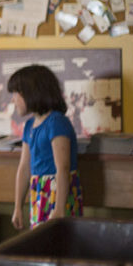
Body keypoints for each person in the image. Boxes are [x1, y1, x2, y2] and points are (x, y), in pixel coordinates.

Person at [9, 64, 84, 229]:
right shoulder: (29, 125)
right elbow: (24, 167)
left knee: (60, 244)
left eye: (16, 93)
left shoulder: (56, 122)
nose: (13, 99)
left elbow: (62, 168)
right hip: (40, 193)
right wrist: (17, 207)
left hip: (59, 194)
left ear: (31, 93)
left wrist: (59, 209)